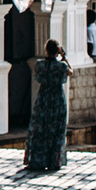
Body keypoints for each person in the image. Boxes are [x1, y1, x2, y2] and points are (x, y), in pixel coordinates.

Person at [25, 39, 71, 173]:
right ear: (58, 51)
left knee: (41, 129)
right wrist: (64, 58)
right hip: (57, 99)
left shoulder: (40, 65)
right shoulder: (61, 66)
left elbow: (38, 78)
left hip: (43, 98)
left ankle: (38, 160)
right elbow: (70, 72)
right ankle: (54, 161)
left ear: (46, 50)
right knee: (56, 130)